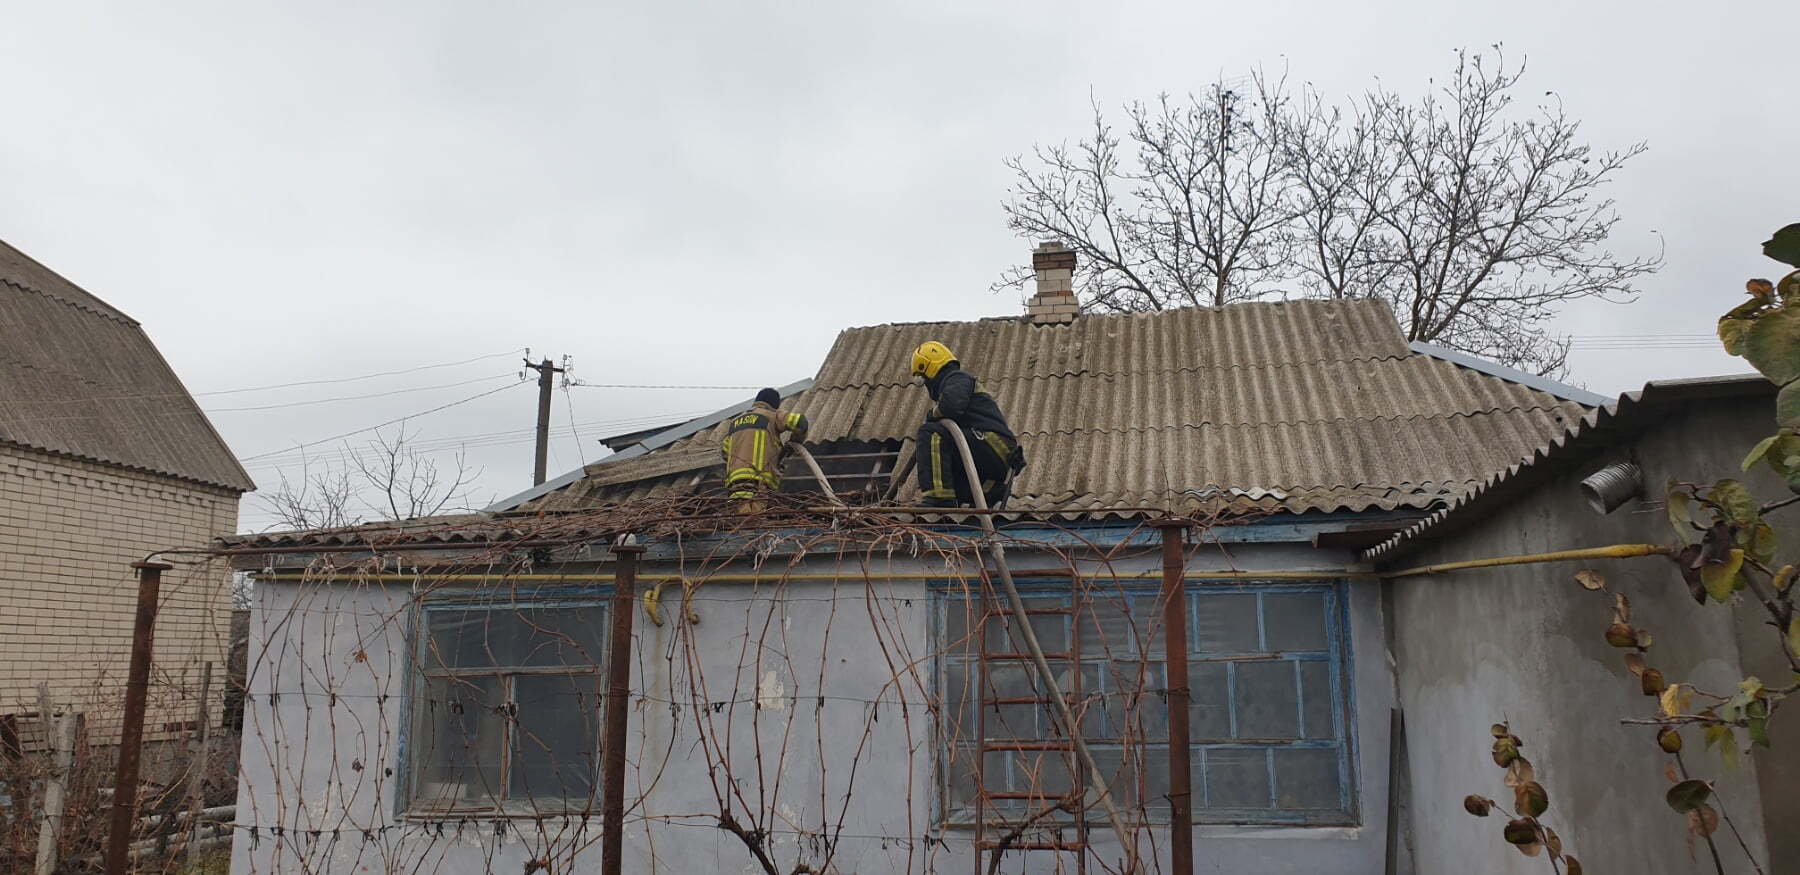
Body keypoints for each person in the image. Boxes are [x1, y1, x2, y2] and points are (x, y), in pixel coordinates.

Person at [909, 341, 1025, 508]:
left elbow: (950, 406)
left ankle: (938, 498)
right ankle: (990, 490)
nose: (926, 384)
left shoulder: (957, 378)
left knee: (930, 433)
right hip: (995, 457)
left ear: (929, 367)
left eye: (923, 378)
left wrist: (931, 415)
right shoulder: (956, 382)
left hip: (994, 445)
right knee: (949, 477)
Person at [721, 387, 809, 510]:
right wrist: (795, 441)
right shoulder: (772, 415)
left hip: (735, 486)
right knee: (754, 519)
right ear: (774, 405)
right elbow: (801, 422)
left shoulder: (734, 423)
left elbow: (725, 451)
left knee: (739, 517)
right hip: (757, 484)